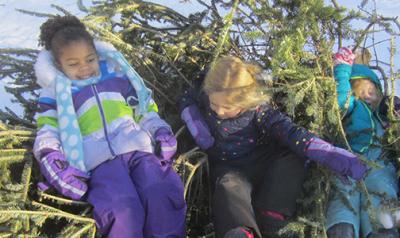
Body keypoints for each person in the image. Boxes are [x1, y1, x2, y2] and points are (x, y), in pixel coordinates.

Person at [179, 56, 368, 238]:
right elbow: (187, 99)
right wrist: (196, 123)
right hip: (230, 168)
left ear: (245, 101)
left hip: (265, 164)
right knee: (228, 188)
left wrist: (329, 154)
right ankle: (241, 232)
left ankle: (272, 216)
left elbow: (293, 134)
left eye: (228, 108)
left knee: (292, 159)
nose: (219, 112)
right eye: (214, 104)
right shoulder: (206, 92)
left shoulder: (260, 113)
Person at [33, 15, 185, 238]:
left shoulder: (117, 77)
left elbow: (142, 109)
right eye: (73, 64)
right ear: (58, 64)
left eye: (90, 59)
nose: (85, 68)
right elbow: (48, 130)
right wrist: (53, 160)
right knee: (121, 208)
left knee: (160, 192)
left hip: (137, 149)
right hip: (99, 163)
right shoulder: (55, 94)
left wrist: (159, 130)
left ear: (97, 54)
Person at [325, 47, 400, 238]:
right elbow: (340, 103)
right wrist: (341, 70)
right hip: (349, 159)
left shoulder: (383, 116)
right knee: (343, 198)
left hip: (379, 164)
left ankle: (384, 232)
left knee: (382, 192)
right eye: (362, 91)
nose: (368, 96)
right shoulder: (353, 106)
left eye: (372, 92)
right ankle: (342, 231)